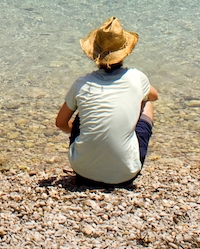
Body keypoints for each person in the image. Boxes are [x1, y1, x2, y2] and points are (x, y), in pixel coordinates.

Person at [54, 17, 159, 187]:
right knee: (147, 104)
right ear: (125, 52)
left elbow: (60, 123)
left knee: (83, 113)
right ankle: (123, 154)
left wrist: (81, 131)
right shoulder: (136, 77)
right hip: (126, 175)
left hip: (83, 172)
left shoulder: (82, 84)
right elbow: (154, 96)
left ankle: (91, 151)